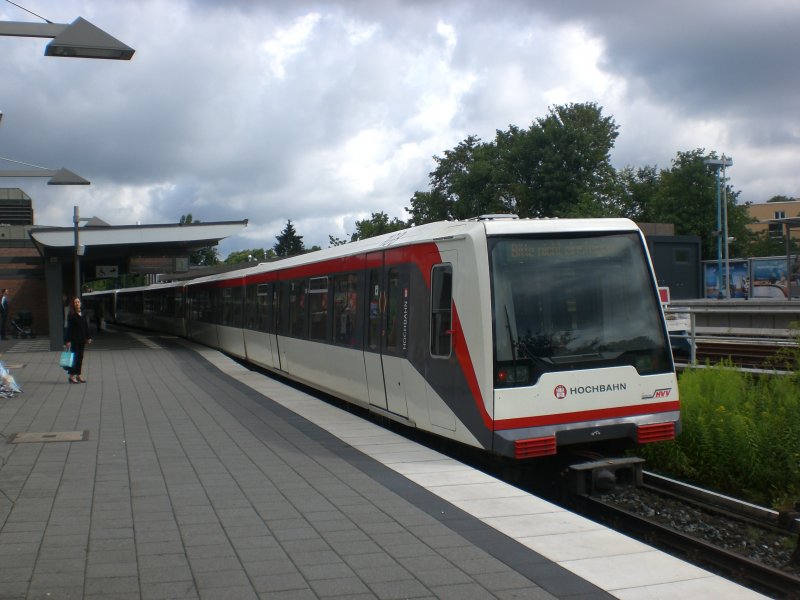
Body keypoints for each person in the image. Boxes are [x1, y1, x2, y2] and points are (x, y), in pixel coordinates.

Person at [65, 297, 92, 384]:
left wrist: (88, 337)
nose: (77, 303)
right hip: (74, 340)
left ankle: (79, 375)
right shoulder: (71, 315)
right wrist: (68, 340)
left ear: (80, 303)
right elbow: (69, 329)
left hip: (81, 340)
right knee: (74, 358)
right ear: (73, 304)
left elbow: (85, 326)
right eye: (75, 302)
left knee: (80, 357)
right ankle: (71, 376)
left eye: (78, 302)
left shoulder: (83, 314)